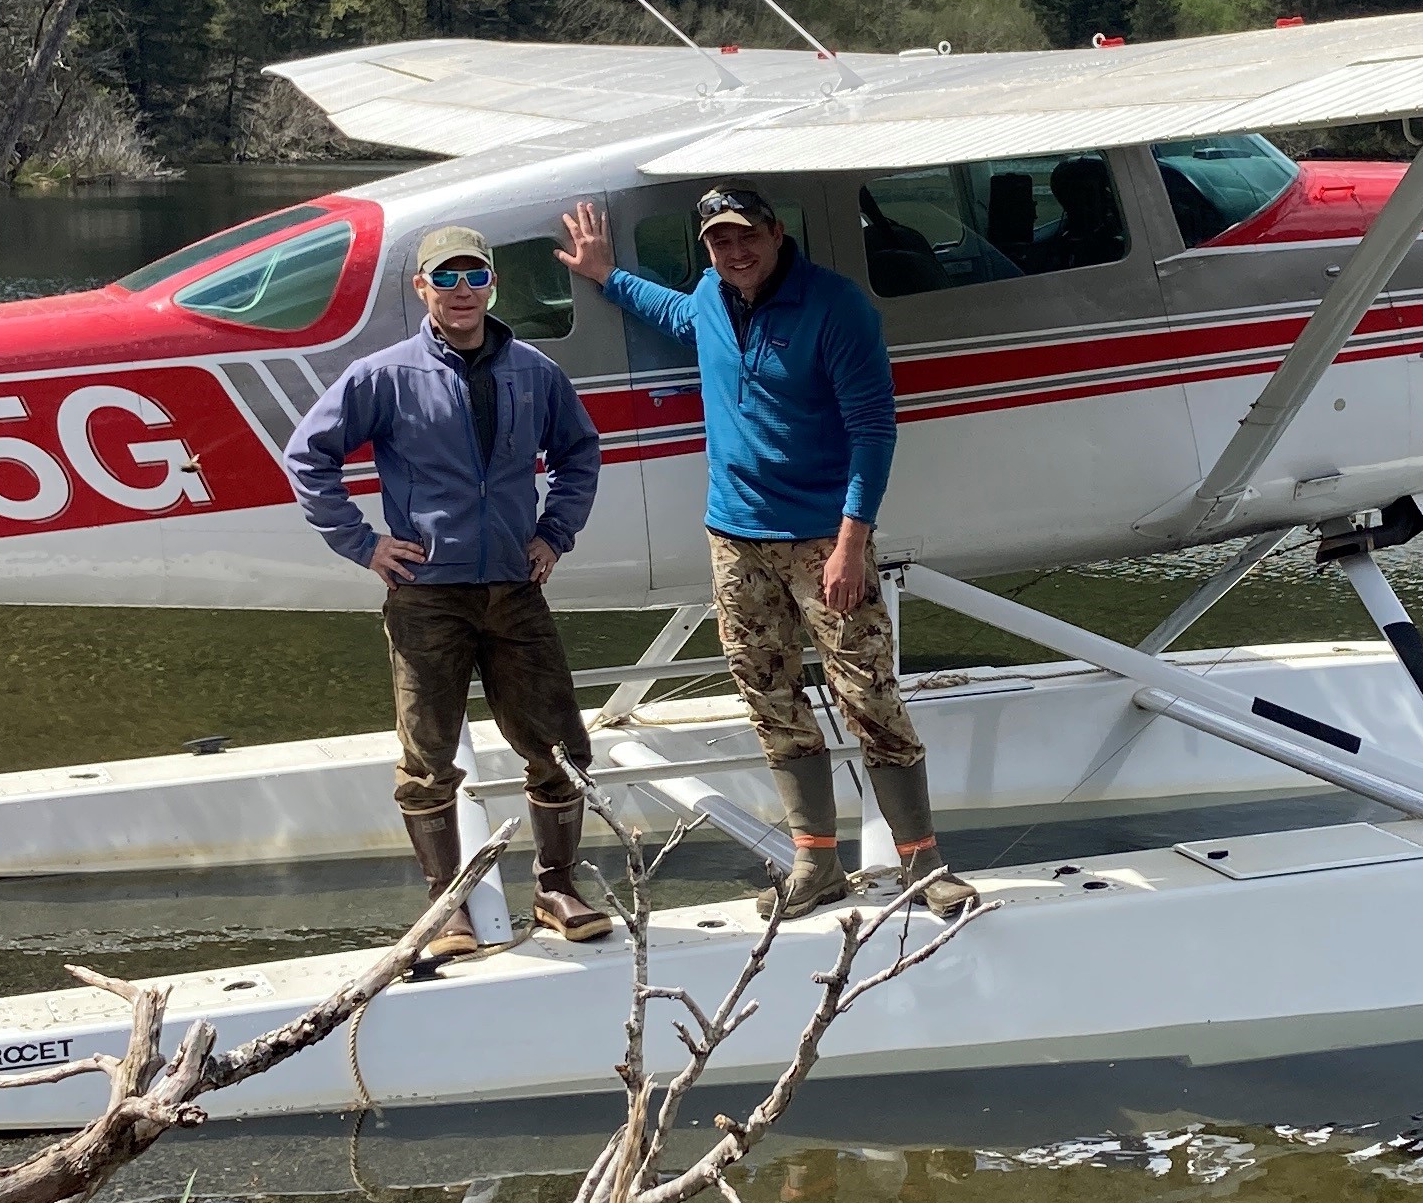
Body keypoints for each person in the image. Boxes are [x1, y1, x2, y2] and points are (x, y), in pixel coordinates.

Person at [559, 181, 973, 921]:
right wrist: (604, 275)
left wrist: (852, 542)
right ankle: (815, 864)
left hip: (824, 542)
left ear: (778, 233)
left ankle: (924, 865)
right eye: (720, 240)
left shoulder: (836, 306)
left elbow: (874, 429)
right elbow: (675, 313)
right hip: (735, 540)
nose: (736, 250)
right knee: (770, 696)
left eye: (747, 235)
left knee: (867, 694)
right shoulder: (711, 298)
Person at [284, 223, 610, 960]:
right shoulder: (384, 375)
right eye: (447, 278)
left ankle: (556, 886)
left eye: (475, 277)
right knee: (428, 758)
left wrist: (554, 534)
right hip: (427, 594)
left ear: (492, 284)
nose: (462, 291)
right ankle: (445, 906)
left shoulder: (533, 371)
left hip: (515, 587)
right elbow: (309, 456)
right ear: (421, 287)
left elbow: (579, 453)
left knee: (561, 744)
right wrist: (364, 544)